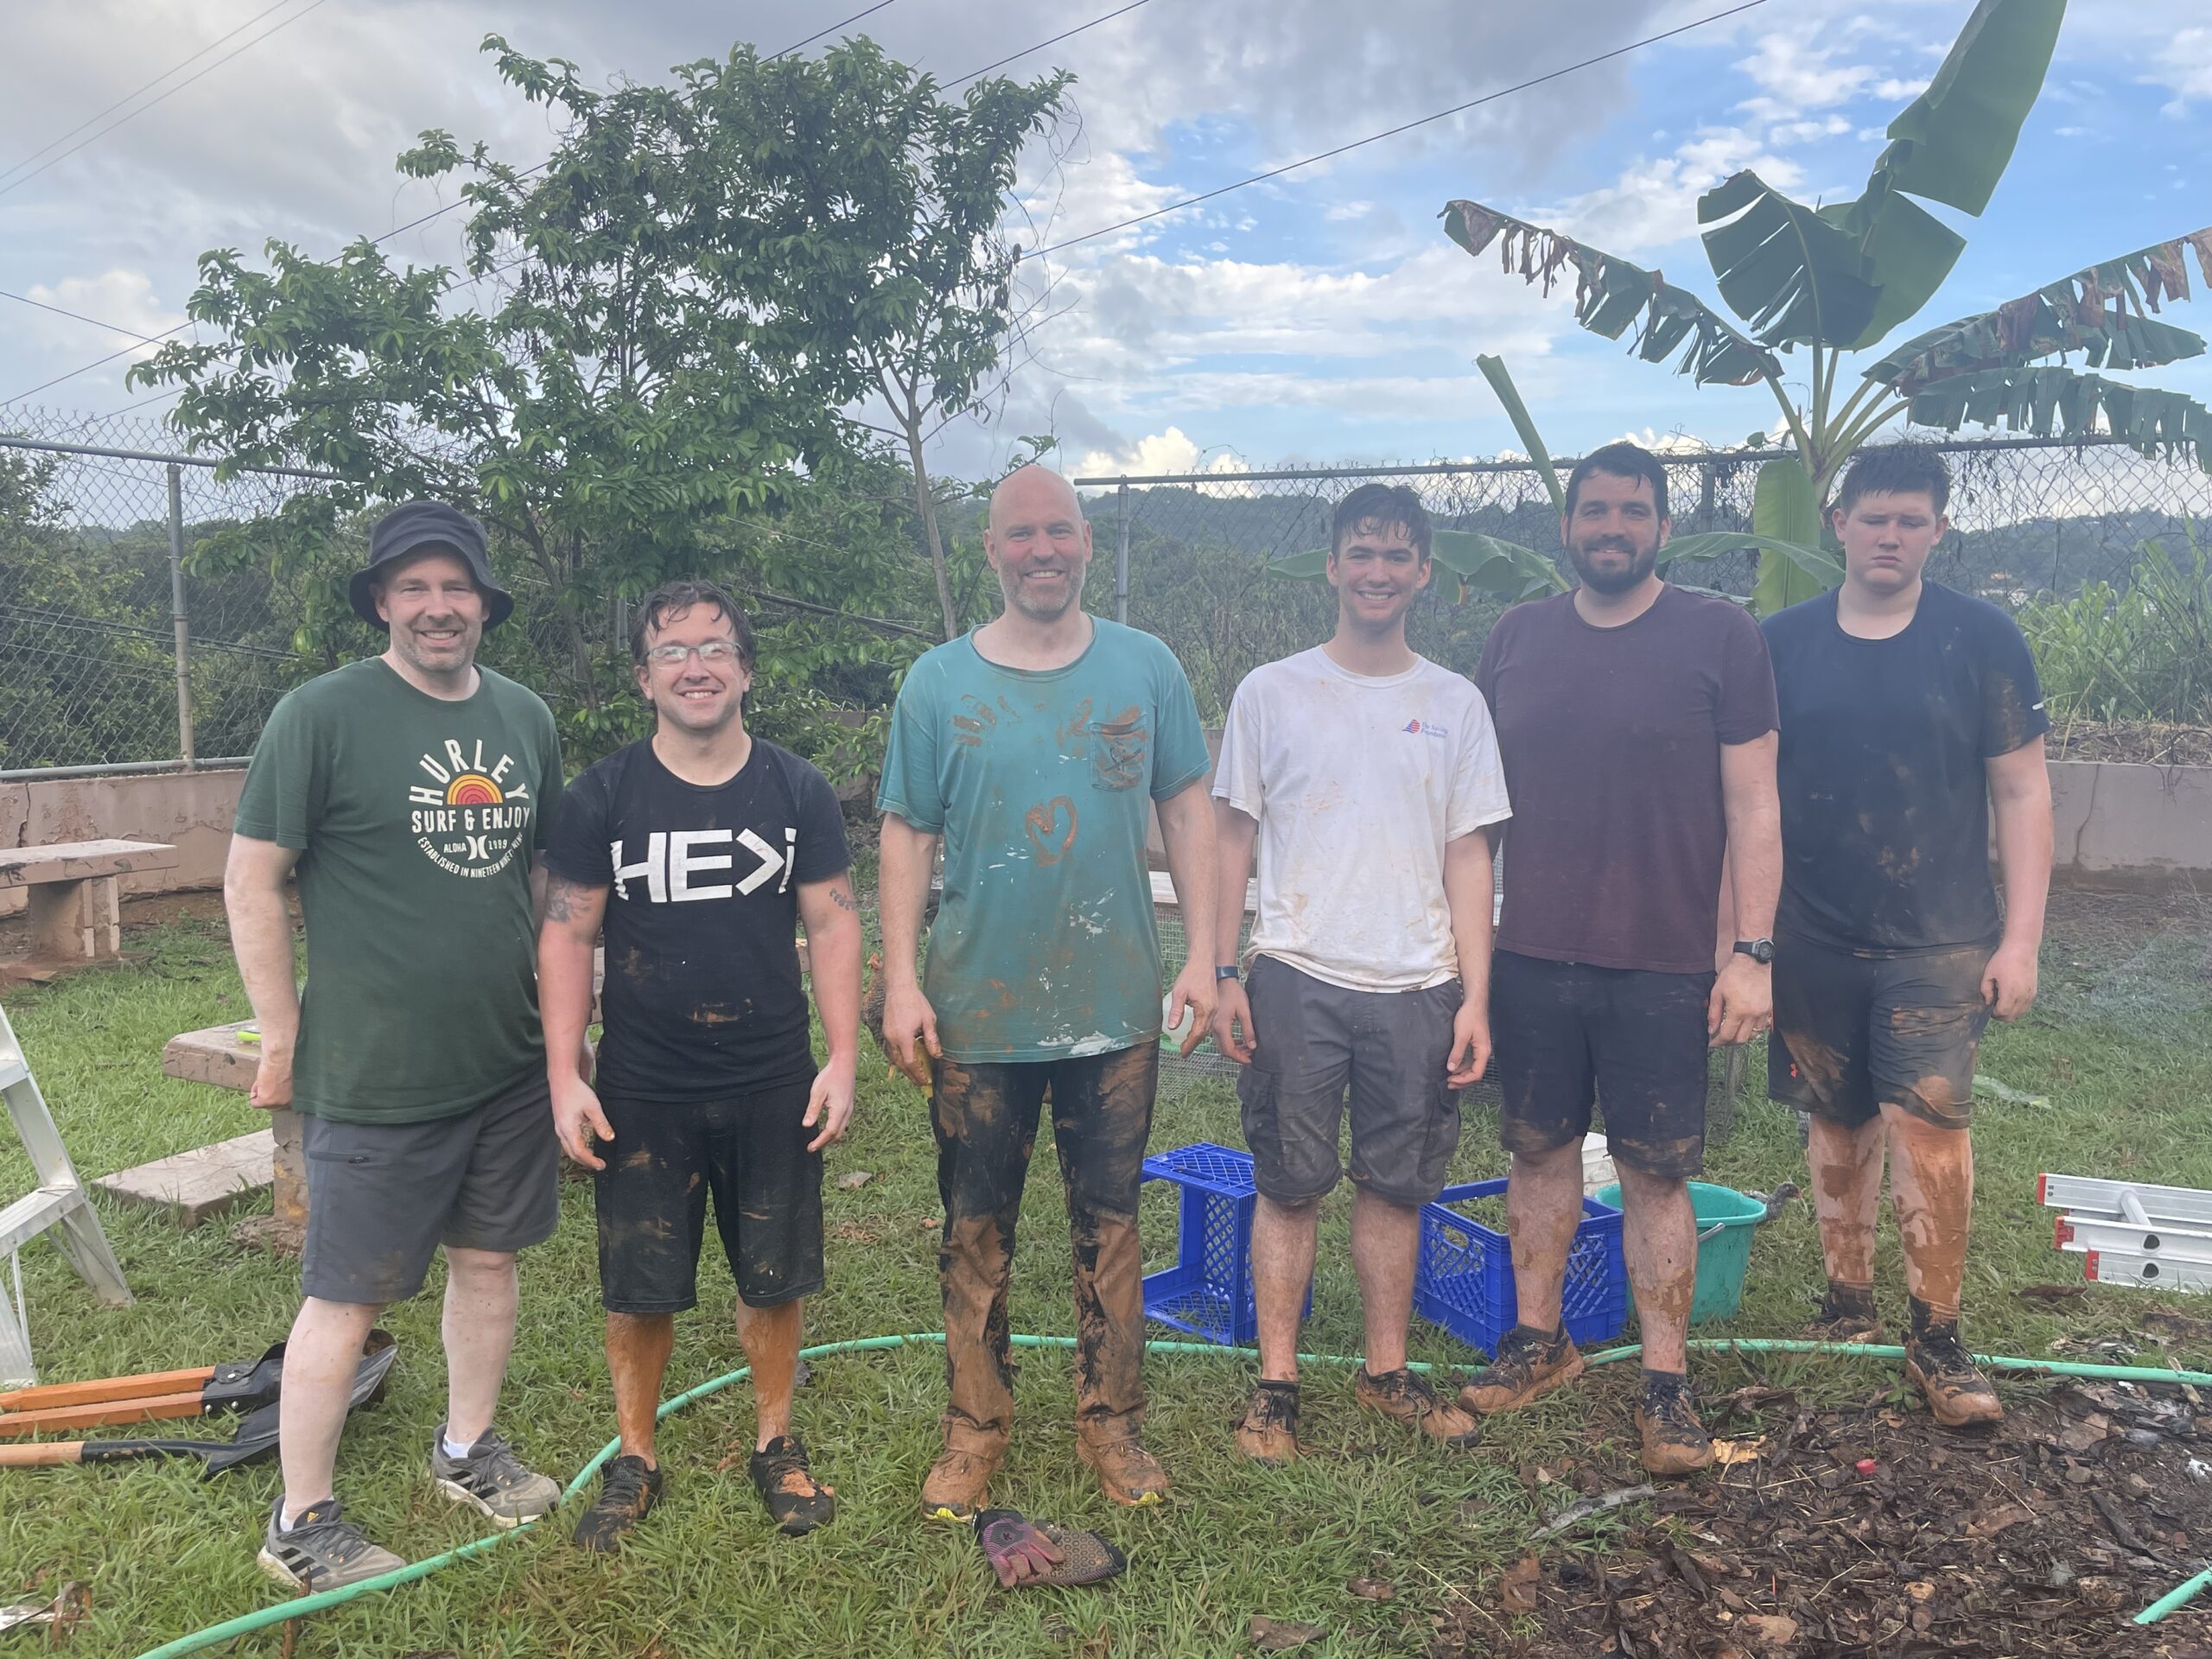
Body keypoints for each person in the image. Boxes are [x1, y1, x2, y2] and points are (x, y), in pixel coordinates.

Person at [226, 502, 567, 1588]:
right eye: (413, 588)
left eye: (455, 587)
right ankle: (302, 1521)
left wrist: (559, 1024)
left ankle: (467, 1451)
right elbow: (252, 880)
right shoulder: (321, 715)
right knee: (348, 1296)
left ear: (484, 604)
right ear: (381, 602)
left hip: (505, 1059)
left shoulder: (525, 717)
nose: (436, 607)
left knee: (489, 1261)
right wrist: (281, 1035)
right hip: (376, 1072)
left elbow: (544, 879)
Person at [876, 464, 1217, 1522]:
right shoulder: (937, 683)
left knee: (1110, 1224)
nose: (1042, 551)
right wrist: (900, 979)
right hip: (975, 1009)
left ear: (1085, 541)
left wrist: (1207, 954)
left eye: (1059, 531)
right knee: (974, 1225)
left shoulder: (1145, 667)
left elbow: (1188, 809)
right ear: (991, 550)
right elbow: (907, 833)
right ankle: (974, 1426)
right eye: (1020, 534)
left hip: (1114, 1004)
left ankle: (1111, 1421)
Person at [1463, 441, 1782, 1477]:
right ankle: (1537, 1342)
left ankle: (1665, 1385)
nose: (1612, 528)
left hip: (1664, 961)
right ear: (1566, 526)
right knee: (1538, 1153)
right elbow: (1472, 811)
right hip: (1532, 952)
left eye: (1632, 511)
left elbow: (1754, 806)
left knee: (1653, 1172)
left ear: (1661, 527)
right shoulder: (1515, 639)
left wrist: (1751, 953)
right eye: (1594, 510)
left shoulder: (1719, 635)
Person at [538, 581, 861, 1547]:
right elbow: (567, 935)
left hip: (773, 1075)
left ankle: (776, 1442)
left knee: (773, 1276)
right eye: (672, 651)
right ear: (644, 679)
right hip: (643, 1084)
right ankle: (634, 1457)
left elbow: (833, 924)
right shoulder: (602, 795)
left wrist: (843, 1056)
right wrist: (565, 1074)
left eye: (715, 648)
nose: (696, 667)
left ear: (746, 671)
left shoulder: (797, 788)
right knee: (638, 1286)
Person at [1210, 482, 1511, 1463]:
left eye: (1397, 556)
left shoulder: (1454, 703)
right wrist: (1221, 967)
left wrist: (1475, 996)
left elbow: (1470, 854)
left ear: (1423, 573)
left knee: (1397, 1186)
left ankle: (1387, 1373)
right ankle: (1277, 1385)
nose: (1377, 572)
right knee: (1289, 1183)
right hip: (1296, 972)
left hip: (1419, 983)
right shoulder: (1271, 692)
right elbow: (1231, 837)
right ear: (1333, 566)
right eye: (1361, 553)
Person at [1764, 445, 2051, 1427]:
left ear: (1938, 530)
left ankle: (1938, 1334)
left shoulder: (1982, 638)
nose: (1890, 536)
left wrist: (2021, 941)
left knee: (1929, 1125)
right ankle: (1846, 1301)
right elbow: (1748, 800)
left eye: (1910, 520)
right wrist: (1746, 939)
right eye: (1874, 517)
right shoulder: (1781, 643)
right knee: (1835, 1120)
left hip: (1941, 936)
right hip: (1809, 930)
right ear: (1837, 523)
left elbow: (2022, 791)